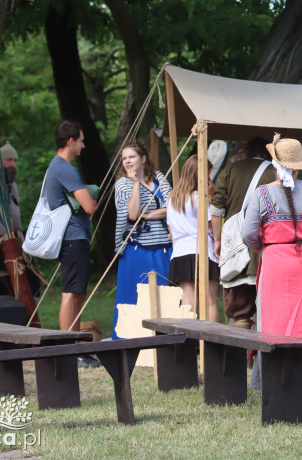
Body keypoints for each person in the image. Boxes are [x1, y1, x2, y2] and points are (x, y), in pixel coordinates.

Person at [241, 135, 302, 391]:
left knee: (272, 322)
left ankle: (269, 380)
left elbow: (247, 234)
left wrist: (265, 248)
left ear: (276, 164)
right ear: (299, 166)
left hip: (276, 263)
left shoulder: (262, 194)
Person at [44, 121, 98, 366]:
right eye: (81, 140)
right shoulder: (65, 168)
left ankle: (76, 349)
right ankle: (70, 352)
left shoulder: (57, 167)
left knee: (77, 293)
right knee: (70, 293)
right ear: (70, 141)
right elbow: (89, 206)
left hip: (74, 238)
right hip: (73, 238)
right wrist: (89, 193)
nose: (84, 145)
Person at [210, 137, 276, 329]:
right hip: (266, 247)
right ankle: (264, 356)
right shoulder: (276, 172)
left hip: (235, 247)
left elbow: (216, 210)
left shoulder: (231, 170)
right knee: (270, 307)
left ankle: (244, 357)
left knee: (239, 310)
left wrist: (218, 239)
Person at [113, 141, 172, 334]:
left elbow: (172, 206)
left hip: (163, 245)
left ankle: (166, 338)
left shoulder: (159, 178)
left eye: (132, 157)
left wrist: (146, 216)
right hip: (137, 248)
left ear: (143, 158)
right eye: (124, 158)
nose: (127, 162)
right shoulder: (123, 184)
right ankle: (132, 338)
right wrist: (136, 184)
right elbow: (132, 213)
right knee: (134, 297)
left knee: (166, 295)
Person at [167, 155, 220, 322]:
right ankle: (213, 345)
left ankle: (186, 345)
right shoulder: (199, 198)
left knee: (187, 303)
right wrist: (211, 197)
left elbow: (171, 230)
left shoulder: (172, 199)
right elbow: (212, 223)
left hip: (180, 252)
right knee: (209, 302)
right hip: (202, 250)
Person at [0, 143, 22, 240]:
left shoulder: (13, 185)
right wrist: (1, 234)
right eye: (9, 160)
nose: (12, 164)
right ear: (0, 160)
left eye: (15, 161)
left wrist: (19, 233)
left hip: (14, 236)